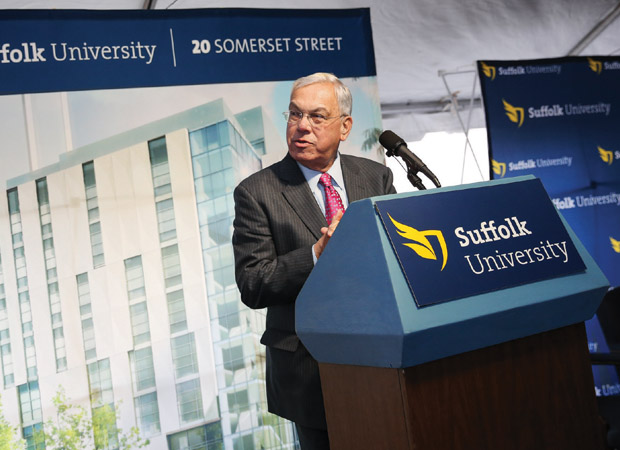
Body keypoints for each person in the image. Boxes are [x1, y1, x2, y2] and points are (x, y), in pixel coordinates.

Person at [232, 72, 396, 449]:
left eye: (317, 117)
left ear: (345, 127)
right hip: (310, 371)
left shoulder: (376, 177)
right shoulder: (257, 193)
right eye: (294, 115)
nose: (301, 126)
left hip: (382, 354)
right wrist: (315, 255)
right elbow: (253, 283)